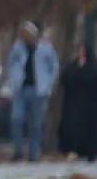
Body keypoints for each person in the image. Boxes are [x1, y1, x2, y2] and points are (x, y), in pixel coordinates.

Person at [6, 20, 59, 162]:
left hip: (38, 90)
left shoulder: (45, 49)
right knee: (16, 118)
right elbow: (10, 64)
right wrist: (14, 77)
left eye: (27, 33)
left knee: (35, 122)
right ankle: (17, 151)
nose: (25, 36)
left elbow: (53, 66)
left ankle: (33, 153)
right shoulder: (18, 48)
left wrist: (48, 83)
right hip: (21, 89)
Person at [56, 44, 97, 161]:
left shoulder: (96, 68)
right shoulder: (73, 67)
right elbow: (66, 79)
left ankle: (91, 152)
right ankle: (73, 150)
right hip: (75, 105)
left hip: (92, 108)